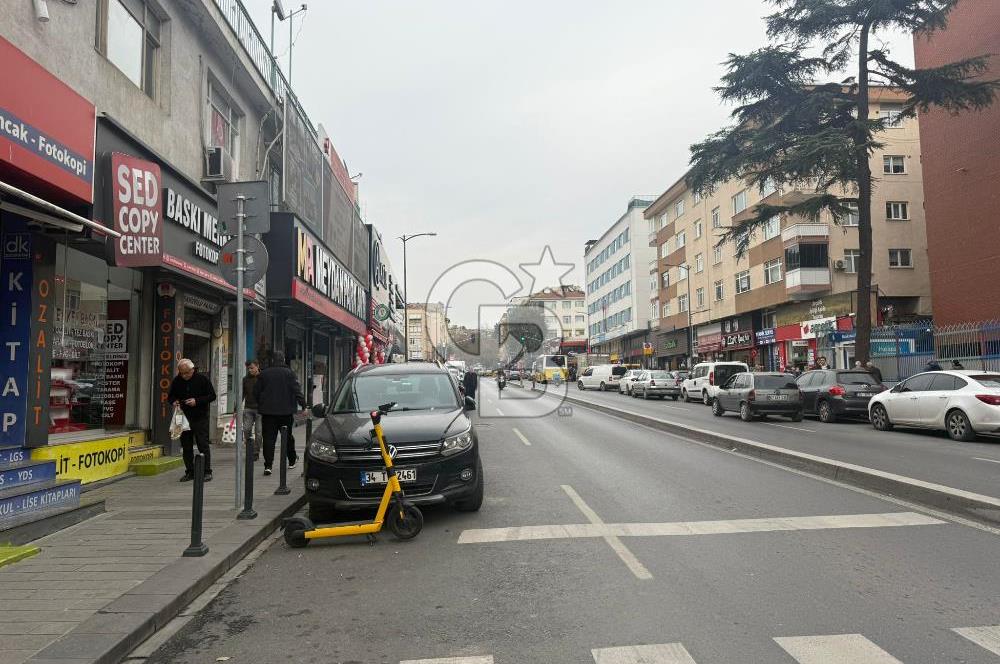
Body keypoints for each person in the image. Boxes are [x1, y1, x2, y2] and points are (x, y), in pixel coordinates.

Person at [254, 351, 306, 476]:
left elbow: (256, 392)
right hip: (286, 412)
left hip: (268, 413)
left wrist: (262, 403)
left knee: (268, 439)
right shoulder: (289, 373)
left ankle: (268, 465)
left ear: (272, 360)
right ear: (283, 360)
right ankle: (292, 460)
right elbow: (296, 390)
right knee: (287, 437)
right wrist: (304, 405)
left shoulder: (264, 374)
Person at [168, 358, 217, 482]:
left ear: (192, 369)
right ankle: (190, 471)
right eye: (182, 373)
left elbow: (212, 396)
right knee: (186, 446)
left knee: (202, 444)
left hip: (200, 416)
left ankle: (207, 471)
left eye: (187, 373)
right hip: (183, 417)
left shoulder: (202, 379)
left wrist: (197, 401)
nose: (184, 376)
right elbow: (170, 396)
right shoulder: (177, 381)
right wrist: (174, 401)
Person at [242, 360, 262, 462]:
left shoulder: (263, 378)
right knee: (246, 429)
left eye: (252, 368)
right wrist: (236, 409)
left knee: (259, 433)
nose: (250, 370)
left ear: (257, 366)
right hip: (248, 408)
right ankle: (250, 448)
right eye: (248, 368)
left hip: (260, 409)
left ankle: (256, 452)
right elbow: (241, 394)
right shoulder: (245, 379)